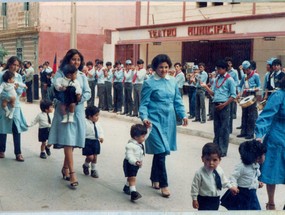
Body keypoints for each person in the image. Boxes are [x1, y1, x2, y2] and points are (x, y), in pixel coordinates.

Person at [139, 54, 188, 198]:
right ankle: (164, 184)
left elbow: (177, 101)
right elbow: (143, 104)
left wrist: (183, 115)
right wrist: (144, 118)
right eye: (161, 67)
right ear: (155, 68)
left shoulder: (172, 81)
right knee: (160, 152)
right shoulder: (149, 83)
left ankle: (155, 178)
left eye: (166, 67)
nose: (164, 69)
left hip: (169, 121)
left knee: (162, 152)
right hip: (154, 121)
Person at [48, 49, 91, 188]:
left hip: (77, 110)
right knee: (68, 140)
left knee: (71, 142)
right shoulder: (61, 73)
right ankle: (72, 173)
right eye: (74, 59)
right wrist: (66, 99)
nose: (76, 62)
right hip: (64, 110)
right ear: (68, 60)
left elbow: (88, 92)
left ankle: (65, 168)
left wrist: (79, 99)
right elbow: (55, 90)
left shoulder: (82, 76)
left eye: (78, 59)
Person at [255, 76, 285, 210]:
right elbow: (265, 116)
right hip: (277, 139)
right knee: (272, 171)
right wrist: (259, 135)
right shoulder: (279, 95)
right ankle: (271, 202)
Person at [201, 60, 236, 157]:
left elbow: (233, 95)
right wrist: (205, 87)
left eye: (219, 69)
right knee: (217, 128)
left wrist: (224, 104)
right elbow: (213, 93)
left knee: (224, 128)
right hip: (216, 104)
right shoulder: (217, 79)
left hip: (224, 105)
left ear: (224, 69)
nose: (217, 71)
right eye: (217, 69)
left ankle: (223, 150)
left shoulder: (230, 80)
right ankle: (215, 148)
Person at [221, 140, 267, 210]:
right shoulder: (242, 167)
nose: (264, 156)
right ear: (257, 157)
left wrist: (257, 183)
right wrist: (234, 186)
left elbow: (252, 178)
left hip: (251, 193)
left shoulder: (255, 165)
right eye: (263, 155)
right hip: (240, 193)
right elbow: (233, 177)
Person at [191, 143, 238, 210]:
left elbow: (224, 181)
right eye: (208, 159)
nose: (211, 163)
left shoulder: (219, 170)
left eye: (215, 160)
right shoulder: (199, 173)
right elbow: (195, 187)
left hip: (215, 198)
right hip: (204, 199)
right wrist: (194, 199)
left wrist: (231, 187)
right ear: (202, 159)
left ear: (219, 160)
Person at [0, 56, 28, 161]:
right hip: (3, 104)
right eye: (13, 64)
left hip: (15, 105)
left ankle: (18, 152)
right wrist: (7, 97)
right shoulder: (2, 75)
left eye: (17, 65)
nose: (15, 67)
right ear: (9, 64)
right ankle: (1, 150)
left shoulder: (19, 77)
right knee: (2, 127)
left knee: (16, 127)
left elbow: (20, 92)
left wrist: (17, 90)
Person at [123, 124, 150, 201]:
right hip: (130, 163)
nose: (144, 138)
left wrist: (149, 128)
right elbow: (129, 156)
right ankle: (133, 193)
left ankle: (126, 187)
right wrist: (135, 162)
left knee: (131, 177)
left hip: (136, 164)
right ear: (136, 137)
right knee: (132, 178)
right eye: (143, 136)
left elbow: (146, 135)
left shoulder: (139, 141)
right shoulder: (130, 145)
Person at [237, 60, 260, 139]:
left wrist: (250, 90)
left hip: (252, 95)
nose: (246, 71)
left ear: (250, 68)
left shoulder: (255, 75)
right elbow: (240, 85)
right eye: (244, 70)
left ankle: (250, 133)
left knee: (251, 115)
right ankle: (243, 132)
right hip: (244, 95)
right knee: (244, 114)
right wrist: (240, 92)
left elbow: (258, 87)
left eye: (247, 69)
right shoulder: (244, 76)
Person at [82, 106, 104, 178]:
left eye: (98, 115)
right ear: (89, 116)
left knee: (95, 156)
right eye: (96, 115)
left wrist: (101, 137)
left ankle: (93, 169)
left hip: (95, 141)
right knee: (90, 157)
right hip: (87, 141)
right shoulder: (85, 123)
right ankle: (86, 165)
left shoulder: (97, 124)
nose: (98, 117)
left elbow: (100, 131)